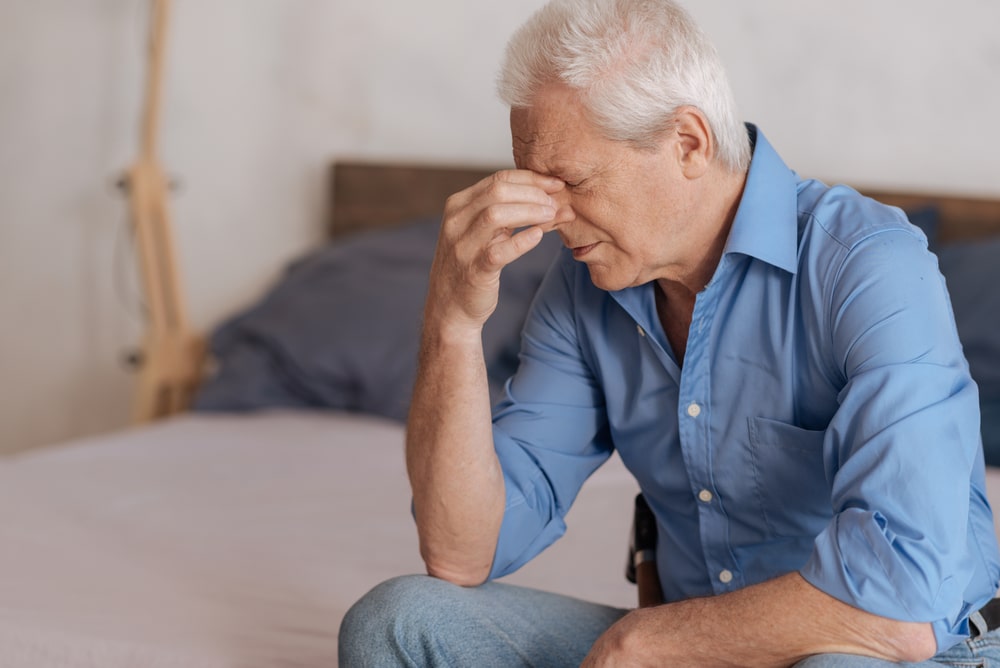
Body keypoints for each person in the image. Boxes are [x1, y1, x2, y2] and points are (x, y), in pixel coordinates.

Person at [339, 0, 1000, 665]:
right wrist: (452, 323)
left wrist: (644, 639)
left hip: (890, 649)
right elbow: (461, 551)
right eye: (536, 185)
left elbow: (903, 603)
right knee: (399, 621)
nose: (550, 219)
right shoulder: (581, 287)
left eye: (570, 181)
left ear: (687, 143)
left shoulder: (864, 264)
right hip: (691, 650)